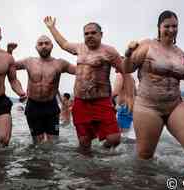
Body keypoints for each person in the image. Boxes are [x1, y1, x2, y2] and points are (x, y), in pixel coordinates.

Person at [123, 10, 184, 169]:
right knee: (145, 158)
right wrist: (128, 53)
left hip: (175, 105)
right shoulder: (147, 45)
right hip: (148, 106)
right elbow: (127, 68)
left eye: (174, 26)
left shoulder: (181, 54)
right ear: (159, 27)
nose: (171, 29)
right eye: (166, 26)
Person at [44, 16, 125, 153]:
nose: (90, 36)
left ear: (101, 34)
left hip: (101, 101)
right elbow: (64, 44)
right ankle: (87, 172)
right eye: (86, 34)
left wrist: (128, 95)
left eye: (93, 33)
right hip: (81, 102)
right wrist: (52, 27)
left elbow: (124, 71)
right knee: (84, 143)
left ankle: (102, 152)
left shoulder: (109, 51)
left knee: (114, 138)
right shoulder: (80, 48)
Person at [6, 35, 76, 144]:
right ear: (36, 47)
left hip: (51, 106)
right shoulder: (29, 61)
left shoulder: (60, 63)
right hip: (33, 106)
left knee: (53, 143)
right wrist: (9, 52)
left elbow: (80, 71)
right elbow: (9, 66)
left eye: (46, 43)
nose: (44, 46)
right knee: (37, 144)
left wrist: (86, 55)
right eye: (40, 44)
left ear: (52, 46)